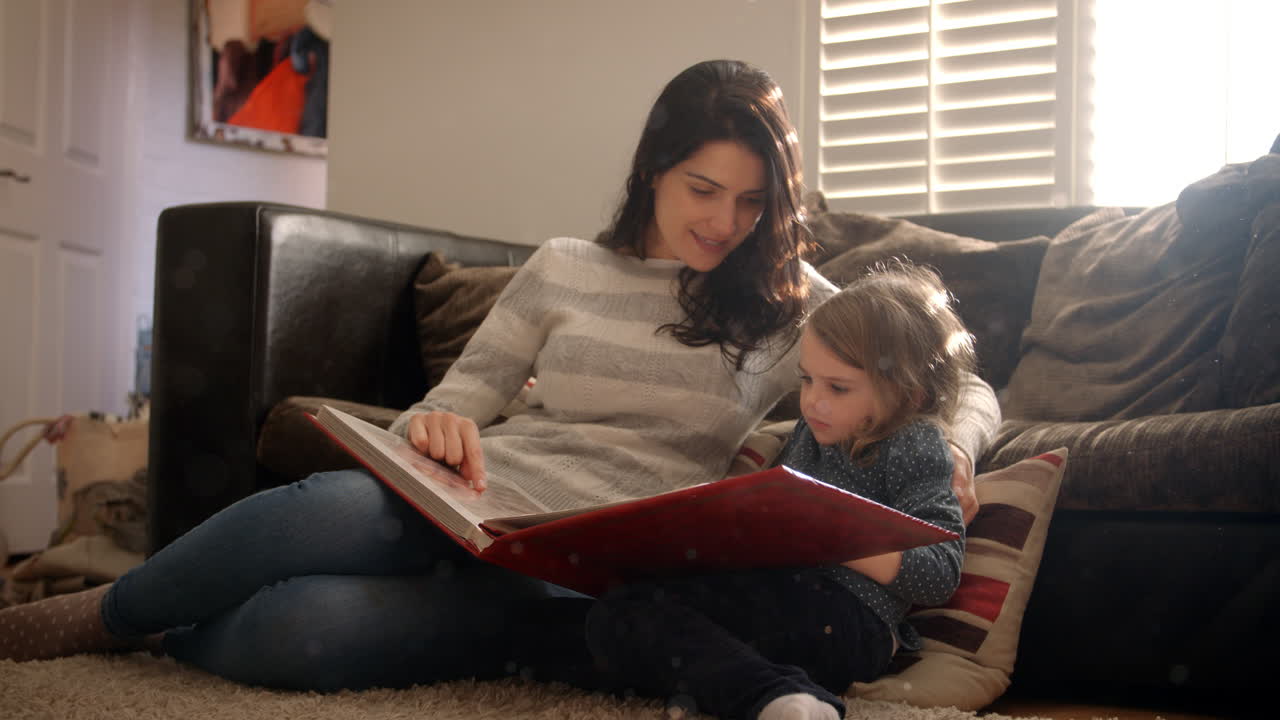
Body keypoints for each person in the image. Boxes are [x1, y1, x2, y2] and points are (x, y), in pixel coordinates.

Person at [0, 60, 998, 697]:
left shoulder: (788, 303)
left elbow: (950, 378)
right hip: (474, 500)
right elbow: (457, 401)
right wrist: (440, 432)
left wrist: (952, 441)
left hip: (590, 567)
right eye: (702, 189)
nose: (723, 221)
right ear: (653, 168)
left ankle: (162, 645)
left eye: (748, 201)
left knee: (297, 632)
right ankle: (103, 614)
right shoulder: (563, 265)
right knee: (319, 508)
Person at [576, 260, 976, 720]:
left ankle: (771, 698)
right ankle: (766, 691)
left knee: (637, 619)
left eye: (838, 387)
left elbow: (940, 573)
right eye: (807, 379)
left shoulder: (915, 444)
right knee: (616, 615)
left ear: (911, 395)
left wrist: (835, 538)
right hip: (784, 596)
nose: (812, 401)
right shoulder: (812, 429)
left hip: (851, 621)